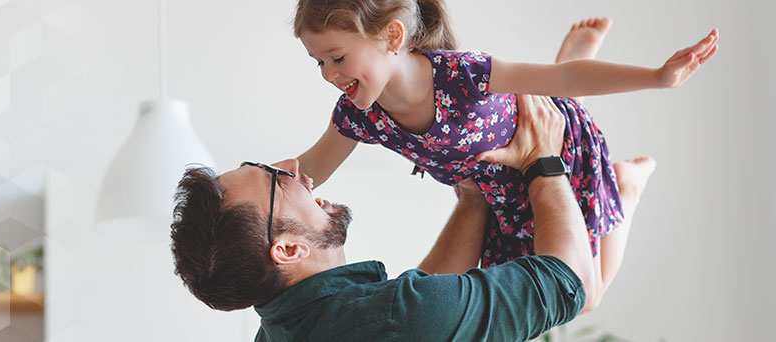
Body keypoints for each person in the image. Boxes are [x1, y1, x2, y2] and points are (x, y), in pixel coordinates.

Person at [287, 0, 715, 301]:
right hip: (503, 195)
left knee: (584, 296)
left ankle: (627, 184)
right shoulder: (360, 115)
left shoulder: (461, 75)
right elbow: (307, 169)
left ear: (392, 36)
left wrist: (659, 76)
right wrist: (231, 184)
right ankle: (569, 85)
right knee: (554, 290)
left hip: (558, 154)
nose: (328, 74)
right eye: (318, 62)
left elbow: (563, 79)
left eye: (337, 58)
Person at [170, 93, 657, 340]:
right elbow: (566, 282)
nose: (292, 165)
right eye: (275, 179)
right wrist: (542, 160)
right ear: (288, 249)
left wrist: (474, 197)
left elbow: (416, 304)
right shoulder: (397, 317)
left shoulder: (285, 328)